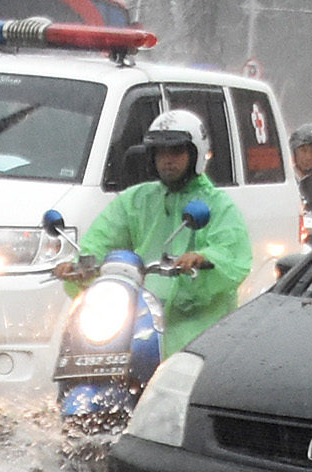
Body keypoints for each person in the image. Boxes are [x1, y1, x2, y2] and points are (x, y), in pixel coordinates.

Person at [74, 107, 253, 358]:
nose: (167, 160)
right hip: (137, 318)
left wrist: (202, 258)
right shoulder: (136, 199)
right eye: (160, 152)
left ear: (195, 154)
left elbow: (232, 254)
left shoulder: (217, 204)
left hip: (198, 327)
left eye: (176, 151)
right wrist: (79, 265)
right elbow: (101, 238)